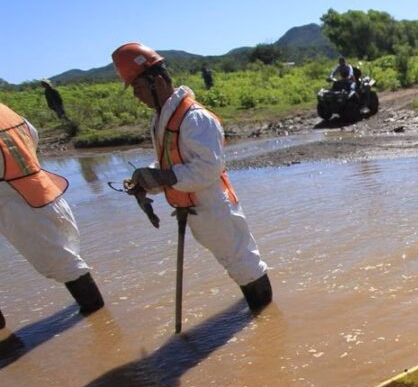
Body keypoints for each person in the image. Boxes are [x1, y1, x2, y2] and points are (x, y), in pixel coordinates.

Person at [110, 43, 272, 312]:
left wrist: (159, 176)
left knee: (243, 264)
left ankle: (266, 321)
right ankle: (261, 318)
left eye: (138, 88)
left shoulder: (195, 119)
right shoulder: (162, 118)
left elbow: (207, 169)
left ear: (157, 81)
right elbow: (170, 161)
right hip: (195, 207)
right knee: (234, 263)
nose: (137, 96)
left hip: (214, 206)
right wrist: (147, 180)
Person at [0, 102, 105, 323]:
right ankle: (99, 319)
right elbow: (32, 134)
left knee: (61, 261)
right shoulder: (4, 111)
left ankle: (97, 315)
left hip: (15, 197)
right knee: (63, 256)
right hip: (35, 186)